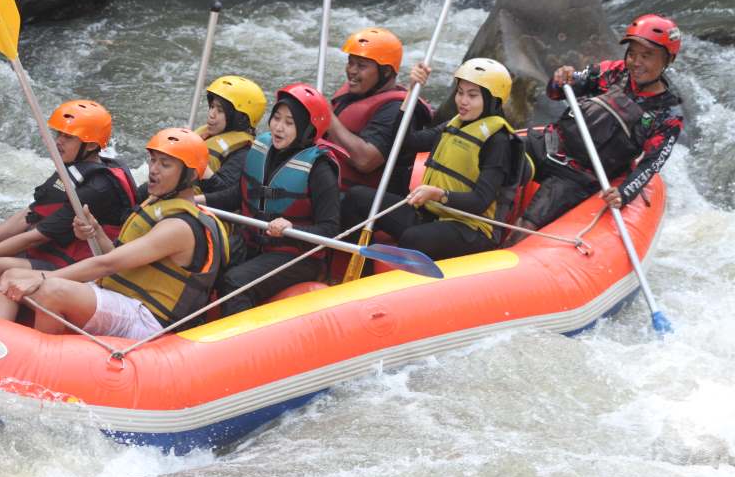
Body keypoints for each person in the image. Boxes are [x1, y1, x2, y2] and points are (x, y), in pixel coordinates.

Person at [0, 128, 229, 338]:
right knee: (11, 276)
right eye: (153, 160)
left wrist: (42, 278)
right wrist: (97, 232)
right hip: (123, 299)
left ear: (190, 175)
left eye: (165, 165)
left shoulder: (179, 226)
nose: (153, 170)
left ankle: (40, 363)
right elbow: (119, 258)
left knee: (52, 289)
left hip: (148, 320)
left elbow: (108, 264)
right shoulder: (157, 205)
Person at [0, 100, 137, 310]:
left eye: (69, 137)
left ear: (90, 145)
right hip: (54, 247)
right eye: (59, 134)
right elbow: (29, 214)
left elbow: (36, 237)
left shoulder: (97, 188)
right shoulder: (75, 167)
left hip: (72, 263)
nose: (59, 141)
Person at [508, 13, 684, 240]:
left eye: (646, 56)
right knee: (497, 149)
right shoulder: (613, 72)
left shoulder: (667, 115)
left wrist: (624, 193)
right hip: (549, 144)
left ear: (669, 59)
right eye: (632, 53)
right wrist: (560, 78)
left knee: (526, 225)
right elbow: (556, 93)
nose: (636, 62)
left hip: (578, 175)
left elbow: (651, 165)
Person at [342, 58, 531, 260]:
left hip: (471, 229)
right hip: (432, 214)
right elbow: (406, 141)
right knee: (355, 198)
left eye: (472, 95)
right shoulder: (455, 124)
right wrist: (411, 92)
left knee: (414, 238)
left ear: (493, 100)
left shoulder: (498, 141)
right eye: (460, 92)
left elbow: (480, 201)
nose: (463, 101)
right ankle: (354, 271)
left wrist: (438, 194)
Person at [204, 83, 341, 316]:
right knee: (204, 260)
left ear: (307, 129)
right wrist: (200, 200)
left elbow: (330, 230)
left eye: (289, 123)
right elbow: (240, 194)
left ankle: (243, 338)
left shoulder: (320, 169)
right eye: (276, 118)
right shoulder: (262, 147)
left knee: (236, 282)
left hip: (296, 256)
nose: (278, 127)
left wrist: (292, 228)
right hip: (251, 242)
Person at [325, 27, 433, 193]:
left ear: (386, 71)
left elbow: (365, 161)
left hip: (360, 198)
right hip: (327, 179)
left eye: (361, 66)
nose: (352, 70)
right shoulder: (356, 92)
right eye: (350, 62)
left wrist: (327, 116)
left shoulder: (395, 109)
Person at [134, 75, 267, 204]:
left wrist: (198, 162)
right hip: (171, 191)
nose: (211, 114)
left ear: (239, 118)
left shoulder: (243, 152)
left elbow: (224, 193)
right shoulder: (206, 135)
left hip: (196, 207)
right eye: (212, 107)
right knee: (137, 194)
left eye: (220, 110)